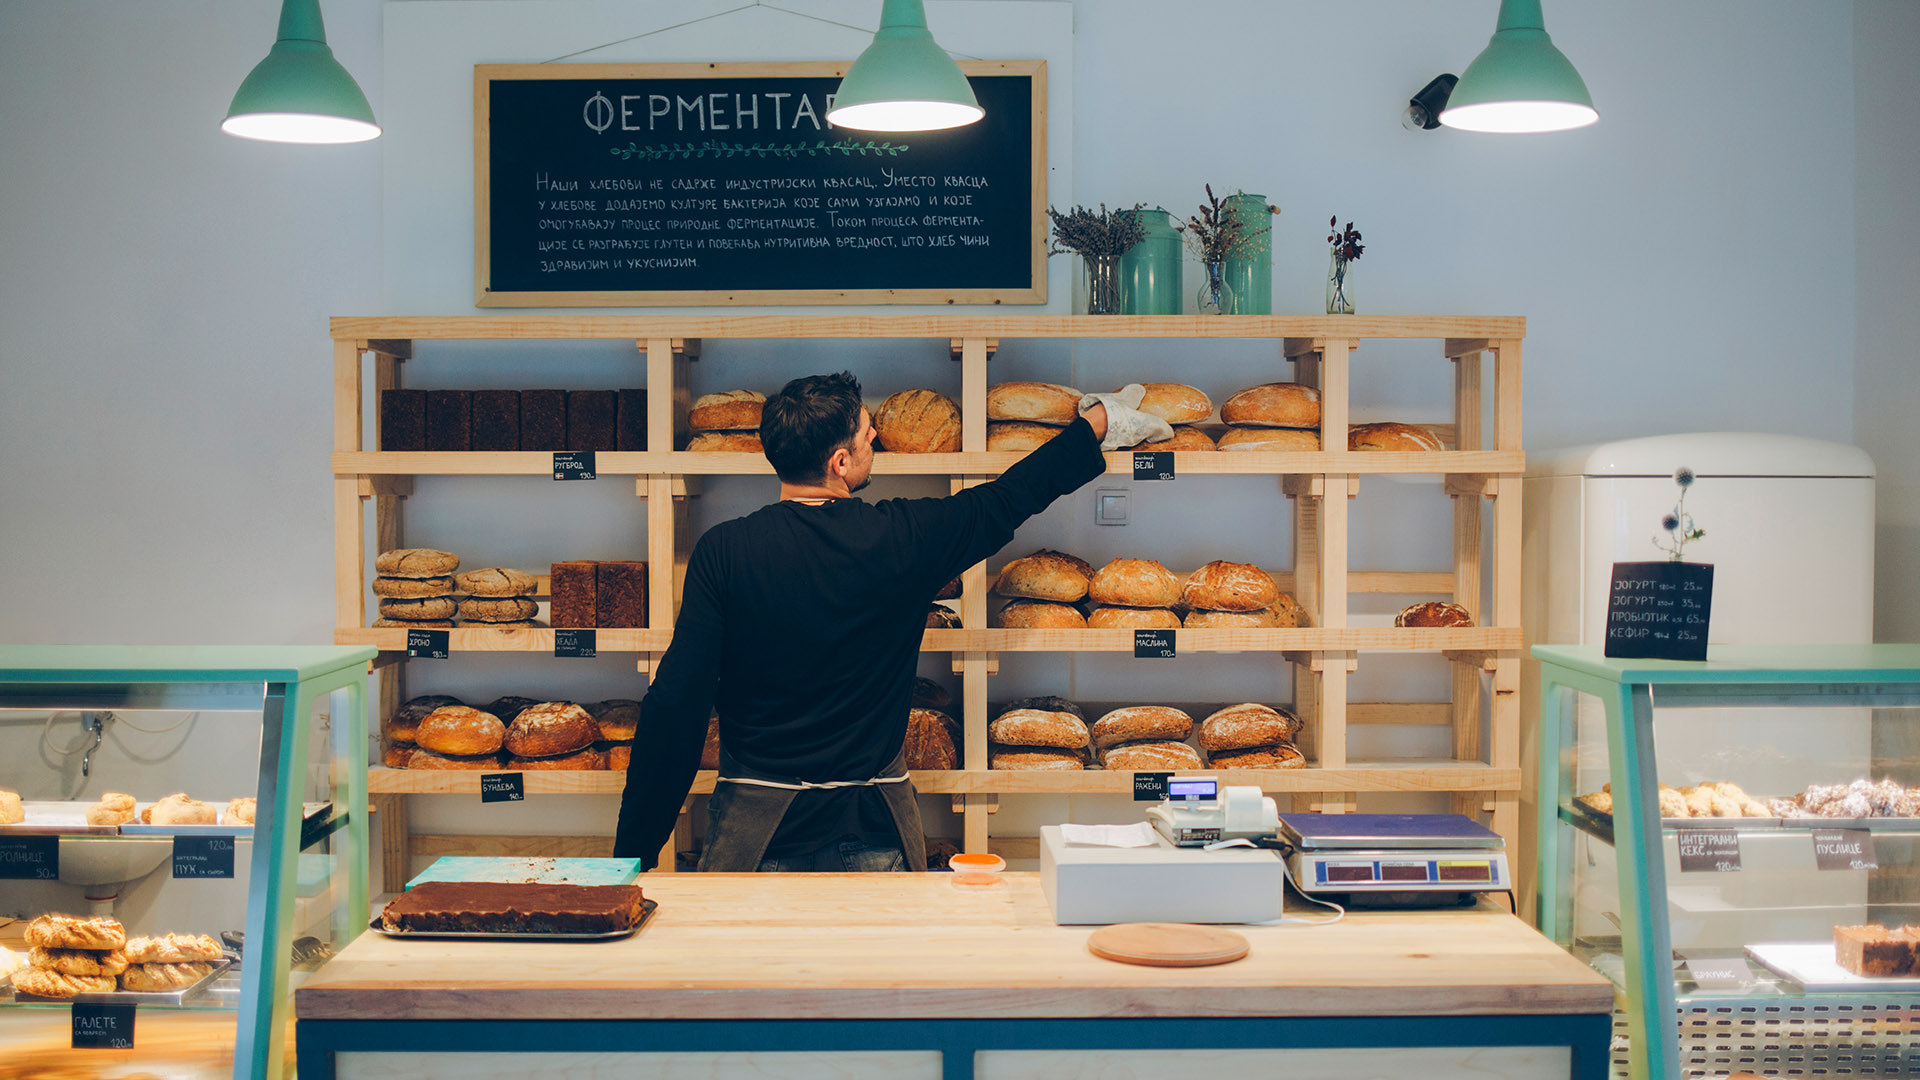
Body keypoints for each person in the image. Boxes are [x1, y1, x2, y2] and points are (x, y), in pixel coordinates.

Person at [611, 373, 1169, 871]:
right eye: (864, 433)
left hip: (754, 837)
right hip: (872, 832)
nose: (874, 437)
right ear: (839, 462)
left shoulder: (724, 550)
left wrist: (629, 861)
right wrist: (1097, 423)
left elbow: (676, 704)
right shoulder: (902, 538)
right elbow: (1010, 497)